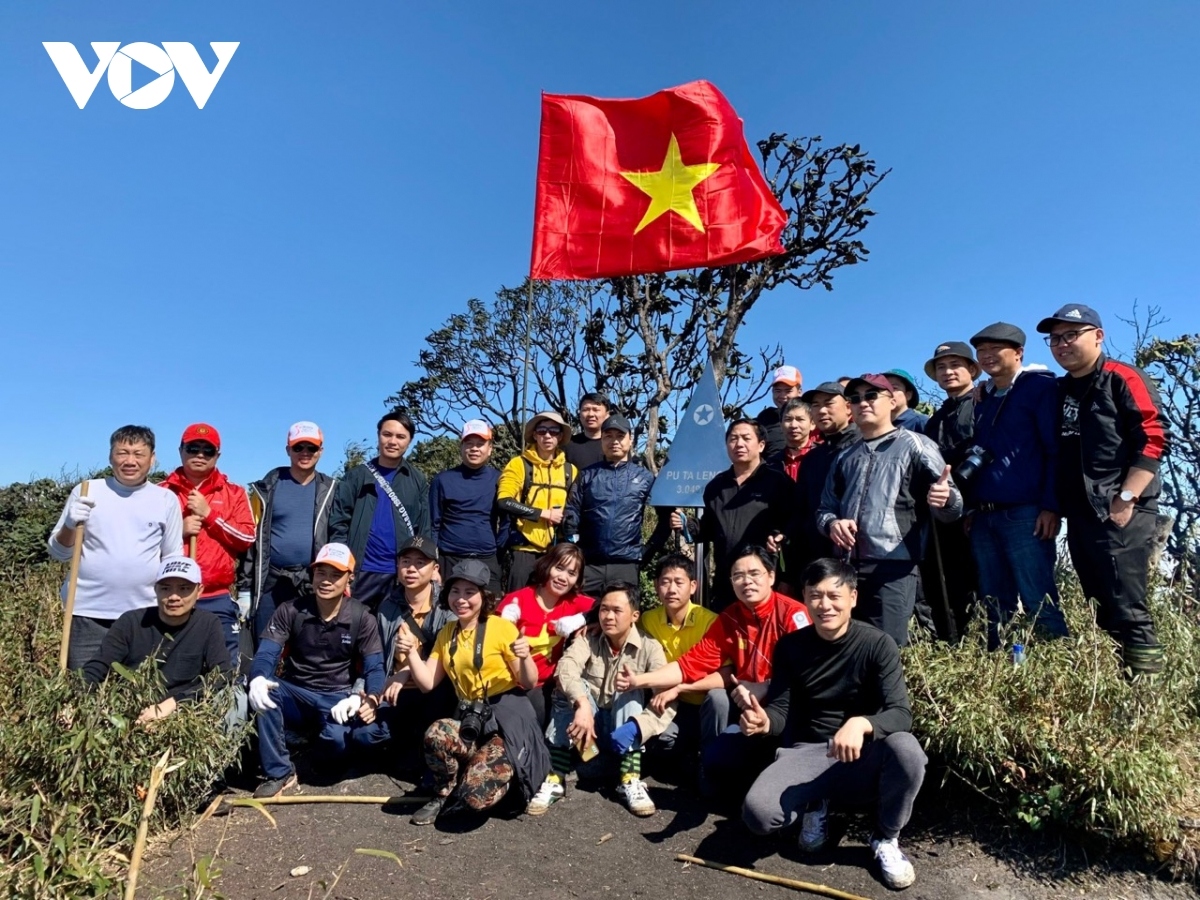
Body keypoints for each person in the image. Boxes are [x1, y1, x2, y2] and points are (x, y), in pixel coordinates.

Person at [741, 559, 926, 891]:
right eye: (815, 595)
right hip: (807, 752)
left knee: (907, 751)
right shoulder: (791, 647)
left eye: (833, 595)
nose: (824, 605)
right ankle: (817, 802)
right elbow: (781, 712)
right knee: (758, 815)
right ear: (805, 597)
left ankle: (886, 837)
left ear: (853, 597)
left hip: (860, 754)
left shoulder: (877, 644)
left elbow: (901, 714)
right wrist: (763, 721)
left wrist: (862, 723)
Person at [617, 547, 811, 801]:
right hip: (744, 709)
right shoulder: (730, 618)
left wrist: (766, 686)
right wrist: (638, 681)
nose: (746, 581)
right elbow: (691, 663)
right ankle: (715, 772)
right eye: (738, 575)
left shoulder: (793, 614)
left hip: (787, 709)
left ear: (771, 577)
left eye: (754, 573)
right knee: (717, 730)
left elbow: (809, 670)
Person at [1038, 305, 1168, 675]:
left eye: (1070, 335)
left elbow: (1153, 437)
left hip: (1122, 509)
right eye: (1054, 339)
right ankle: (1116, 687)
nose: (1061, 345)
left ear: (1098, 335)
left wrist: (1126, 497)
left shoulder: (1121, 377)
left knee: (1128, 605)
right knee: (1099, 604)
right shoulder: (1059, 389)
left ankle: (1147, 696)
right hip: (1080, 514)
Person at [399, 559, 550, 825]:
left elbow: (528, 682)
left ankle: (500, 777)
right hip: (471, 717)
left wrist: (525, 656)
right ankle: (443, 792)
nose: (462, 599)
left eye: (470, 592)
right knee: (437, 734)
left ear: (484, 595)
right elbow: (426, 683)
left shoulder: (501, 627)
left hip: (506, 719)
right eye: (456, 591)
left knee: (475, 797)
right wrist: (411, 652)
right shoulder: (448, 633)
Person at [818, 375, 963, 646]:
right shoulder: (844, 457)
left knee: (888, 649)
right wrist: (832, 524)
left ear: (892, 400)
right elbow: (824, 509)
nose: (863, 403)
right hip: (847, 568)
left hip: (895, 567)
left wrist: (947, 500)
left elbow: (953, 507)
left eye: (871, 396)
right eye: (856, 398)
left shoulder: (917, 445)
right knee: (847, 648)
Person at [246, 543, 385, 798]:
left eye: (336, 575)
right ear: (313, 574)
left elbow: (374, 666)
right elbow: (267, 652)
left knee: (334, 746)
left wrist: (366, 696)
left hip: (337, 696)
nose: (327, 581)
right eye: (321, 573)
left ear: (349, 578)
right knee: (265, 693)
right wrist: (258, 678)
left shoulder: (361, 617)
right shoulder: (291, 610)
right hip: (296, 691)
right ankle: (279, 772)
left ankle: (313, 745)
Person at [527, 582, 673, 817]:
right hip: (587, 739)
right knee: (568, 688)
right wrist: (582, 703)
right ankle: (556, 776)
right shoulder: (588, 639)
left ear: (635, 615)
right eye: (604, 609)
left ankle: (629, 778)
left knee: (631, 686)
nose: (608, 616)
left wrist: (638, 727)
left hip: (623, 737)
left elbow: (665, 698)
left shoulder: (650, 647)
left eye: (617, 611)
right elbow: (565, 668)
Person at [968, 323, 1070, 650]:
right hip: (985, 517)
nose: (986, 357)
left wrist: (1051, 505)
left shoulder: (1039, 387)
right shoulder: (983, 397)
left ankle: (1056, 679)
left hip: (1026, 514)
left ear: (1019, 352)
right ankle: (1010, 675)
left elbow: (1054, 449)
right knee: (995, 608)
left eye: (994, 349)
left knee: (1039, 600)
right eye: (981, 351)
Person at [48, 425, 184, 669]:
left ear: (152, 459)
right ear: (111, 456)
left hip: (144, 615)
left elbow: (172, 558)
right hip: (86, 613)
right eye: (122, 453)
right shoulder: (87, 491)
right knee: (84, 689)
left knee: (136, 693)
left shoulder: (165, 499)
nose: (130, 461)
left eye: (138, 454)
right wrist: (70, 524)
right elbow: (59, 552)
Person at [82, 556, 233, 725]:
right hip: (131, 710)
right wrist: (72, 699)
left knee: (235, 699)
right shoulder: (131, 622)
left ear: (199, 591)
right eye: (166, 588)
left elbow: (223, 673)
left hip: (182, 712)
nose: (174, 596)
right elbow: (98, 667)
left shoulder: (208, 623)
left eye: (184, 588)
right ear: (156, 590)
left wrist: (175, 703)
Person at [353, 536, 457, 771]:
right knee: (363, 735)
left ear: (435, 569)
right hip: (393, 692)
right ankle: (403, 744)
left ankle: (416, 747)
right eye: (405, 561)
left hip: (434, 690)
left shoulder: (447, 607)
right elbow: (376, 657)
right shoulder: (387, 606)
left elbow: (445, 660)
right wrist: (369, 693)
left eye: (420, 563)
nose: (411, 569)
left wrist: (407, 672)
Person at [673, 419, 793, 610]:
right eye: (733, 439)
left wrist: (786, 573)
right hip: (726, 581)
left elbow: (793, 527)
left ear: (761, 445)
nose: (739, 444)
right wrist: (688, 525)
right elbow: (710, 528)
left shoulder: (778, 482)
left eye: (746, 438)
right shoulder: (716, 486)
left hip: (764, 580)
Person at [161, 424, 256, 664]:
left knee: (223, 667)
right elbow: (141, 542)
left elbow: (246, 538)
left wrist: (210, 516)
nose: (200, 455)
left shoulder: (234, 492)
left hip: (216, 598)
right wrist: (178, 532)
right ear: (181, 450)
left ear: (218, 455)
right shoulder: (161, 492)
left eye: (208, 450)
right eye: (193, 448)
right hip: (170, 597)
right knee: (169, 666)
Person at [242, 421, 338, 645]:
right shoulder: (267, 488)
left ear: (320, 452)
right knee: (266, 643)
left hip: (310, 581)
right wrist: (245, 589)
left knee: (306, 645)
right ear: (288, 450)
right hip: (271, 581)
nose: (305, 453)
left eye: (311, 448)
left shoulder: (332, 490)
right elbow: (251, 540)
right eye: (298, 447)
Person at [329, 409, 431, 612]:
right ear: (378, 436)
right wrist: (341, 567)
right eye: (387, 434)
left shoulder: (417, 480)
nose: (393, 441)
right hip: (361, 572)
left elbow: (424, 528)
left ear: (409, 441)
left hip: (399, 575)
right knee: (352, 631)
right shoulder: (356, 476)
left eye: (401, 437)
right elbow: (338, 522)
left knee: (394, 636)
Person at [497, 543, 596, 724]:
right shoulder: (517, 599)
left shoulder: (573, 602)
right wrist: (501, 624)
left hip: (545, 686)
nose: (563, 577)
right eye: (559, 568)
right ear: (547, 565)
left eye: (571, 573)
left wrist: (582, 619)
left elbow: (608, 606)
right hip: (508, 683)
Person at [922, 342, 981, 640]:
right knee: (951, 589)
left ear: (972, 369)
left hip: (979, 513)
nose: (948, 372)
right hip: (943, 518)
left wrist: (973, 506)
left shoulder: (983, 403)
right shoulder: (936, 418)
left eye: (955, 365)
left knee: (983, 589)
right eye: (941, 367)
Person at [563, 413, 655, 595]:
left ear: (631, 441)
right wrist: (574, 544)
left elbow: (667, 517)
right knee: (583, 619)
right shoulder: (586, 475)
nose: (614, 441)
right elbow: (571, 510)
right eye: (608, 436)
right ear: (602, 440)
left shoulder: (644, 477)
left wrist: (647, 551)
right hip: (589, 565)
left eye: (620, 436)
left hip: (626, 565)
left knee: (621, 618)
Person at [639, 553, 718, 765]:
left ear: (693, 586)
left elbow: (725, 673)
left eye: (678, 582)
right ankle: (687, 752)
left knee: (720, 698)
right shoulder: (648, 620)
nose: (671, 589)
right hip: (672, 705)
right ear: (656, 586)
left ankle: (709, 762)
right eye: (665, 582)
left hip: (704, 703)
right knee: (664, 742)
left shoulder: (710, 622)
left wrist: (680, 687)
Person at [496, 410, 578, 592]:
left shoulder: (570, 471)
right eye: (542, 431)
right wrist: (543, 514)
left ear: (561, 436)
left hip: (557, 554)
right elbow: (504, 500)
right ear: (534, 435)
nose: (547, 436)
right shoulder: (518, 464)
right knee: (515, 609)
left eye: (554, 431)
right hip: (523, 551)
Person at [789, 382, 861, 572]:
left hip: (861, 557)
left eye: (828, 403)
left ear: (848, 407)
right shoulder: (812, 458)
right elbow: (802, 512)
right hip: (818, 560)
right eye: (815, 405)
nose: (821, 410)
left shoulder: (864, 445)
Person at [430, 419, 504, 595]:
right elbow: (433, 524)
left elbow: (507, 521)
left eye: (480, 444)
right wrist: (433, 564)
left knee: (489, 614)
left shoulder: (499, 479)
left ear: (490, 448)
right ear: (461, 447)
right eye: (469, 443)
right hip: (450, 558)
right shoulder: (442, 480)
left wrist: (499, 552)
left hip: (488, 558)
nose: (474, 448)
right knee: (448, 613)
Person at [755, 365, 803, 457]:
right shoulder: (765, 418)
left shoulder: (812, 415)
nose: (782, 395)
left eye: (788, 391)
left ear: (799, 391)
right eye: (778, 391)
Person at [767, 398, 818, 482]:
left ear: (812, 424)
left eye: (800, 419)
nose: (794, 425)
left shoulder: (824, 457)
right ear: (781, 425)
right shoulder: (772, 464)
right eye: (788, 419)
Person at [565, 393, 611, 471]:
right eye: (585, 410)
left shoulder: (615, 445)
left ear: (607, 415)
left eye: (596, 410)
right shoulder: (568, 445)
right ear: (579, 414)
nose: (590, 414)